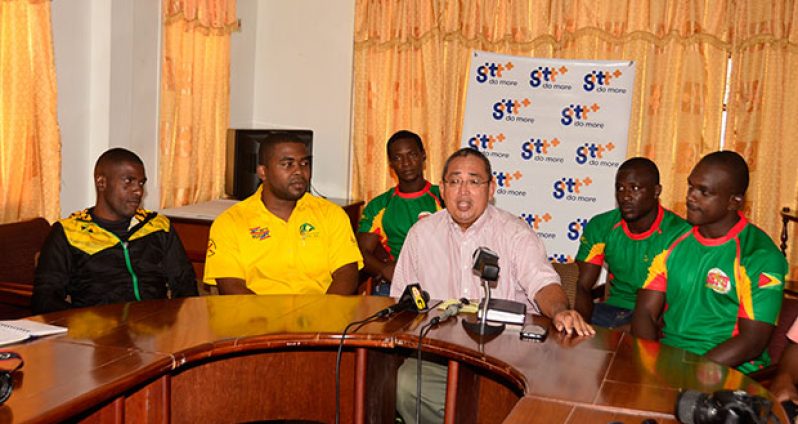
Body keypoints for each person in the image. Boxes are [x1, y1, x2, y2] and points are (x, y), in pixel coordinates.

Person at [391, 147, 594, 423]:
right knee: (406, 385)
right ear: (442, 188)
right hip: (438, 356)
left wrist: (560, 311)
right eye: (455, 181)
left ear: (491, 188)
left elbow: (543, 283)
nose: (463, 191)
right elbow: (399, 300)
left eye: (474, 181)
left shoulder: (514, 233)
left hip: (507, 359)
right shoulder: (421, 234)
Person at [632, 151, 787, 374]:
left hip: (728, 371)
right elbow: (645, 312)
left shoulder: (760, 256)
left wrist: (688, 373)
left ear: (734, 202)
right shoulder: (671, 241)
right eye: (690, 187)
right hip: (669, 360)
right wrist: (650, 365)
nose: (691, 197)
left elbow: (752, 342)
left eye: (704, 192)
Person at [33, 148, 198, 313]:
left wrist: (179, 324)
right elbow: (45, 299)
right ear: (101, 182)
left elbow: (184, 282)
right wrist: (81, 327)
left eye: (141, 183)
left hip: (155, 329)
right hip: (98, 333)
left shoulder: (157, 226)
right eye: (129, 181)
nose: (138, 191)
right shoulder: (70, 232)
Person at [203, 133, 363, 295]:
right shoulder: (230, 222)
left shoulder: (331, 214)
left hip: (320, 313)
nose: (299, 171)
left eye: (304, 163)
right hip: (257, 316)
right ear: (263, 172)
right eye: (287, 164)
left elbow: (347, 273)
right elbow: (231, 285)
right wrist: (271, 319)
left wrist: (322, 313)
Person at [574, 157, 690, 329]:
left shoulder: (680, 233)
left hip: (657, 318)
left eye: (635, 188)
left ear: (656, 191)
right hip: (608, 311)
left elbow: (682, 301)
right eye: (620, 188)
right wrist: (580, 327)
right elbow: (581, 286)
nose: (625, 196)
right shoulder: (601, 226)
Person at [357, 130, 443, 295]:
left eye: (412, 155)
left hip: (440, 280)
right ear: (391, 164)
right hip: (396, 283)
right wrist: (385, 269)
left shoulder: (444, 197)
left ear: (423, 156)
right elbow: (361, 252)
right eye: (398, 158)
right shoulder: (379, 205)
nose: (406, 163)